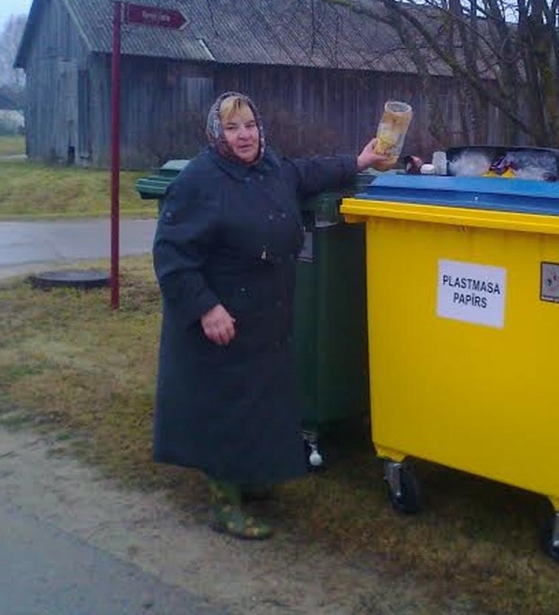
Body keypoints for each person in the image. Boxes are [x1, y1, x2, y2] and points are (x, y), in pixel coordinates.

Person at [152, 91, 386, 540]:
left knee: (258, 403)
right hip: (223, 315)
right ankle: (225, 505)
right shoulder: (200, 181)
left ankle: (249, 480)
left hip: (264, 313)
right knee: (227, 405)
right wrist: (205, 308)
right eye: (233, 128)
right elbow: (172, 254)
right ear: (216, 134)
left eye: (250, 126)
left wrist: (358, 161)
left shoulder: (271, 168)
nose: (244, 136)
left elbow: (308, 172)